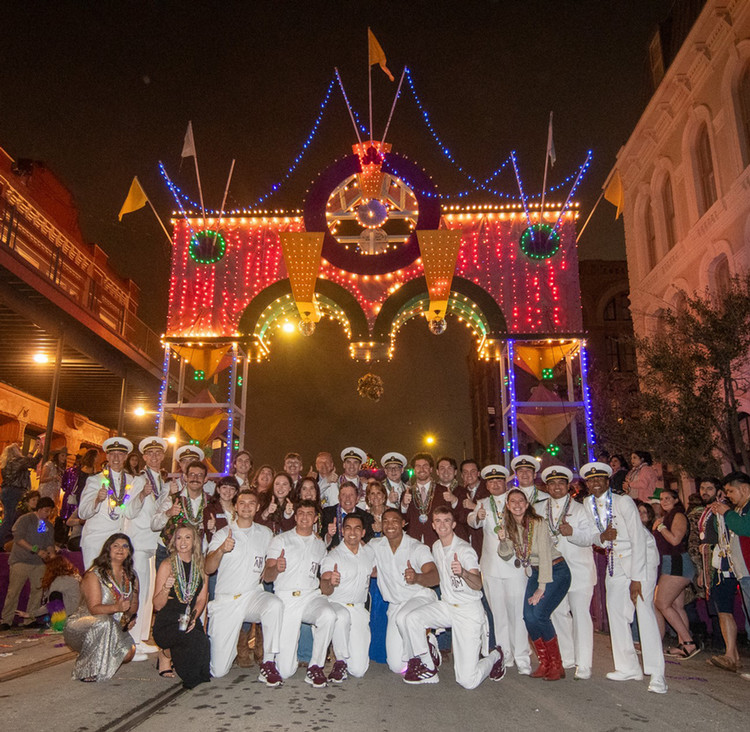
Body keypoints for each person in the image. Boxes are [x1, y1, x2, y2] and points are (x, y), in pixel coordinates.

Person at [579, 461, 667, 694]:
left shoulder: (623, 501)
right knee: (616, 609)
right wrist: (601, 536)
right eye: (591, 480)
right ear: (587, 484)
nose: (596, 483)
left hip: (641, 557)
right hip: (615, 559)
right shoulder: (588, 503)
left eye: (600, 480)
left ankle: (657, 673)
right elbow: (592, 534)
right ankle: (628, 667)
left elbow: (638, 537)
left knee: (643, 609)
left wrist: (637, 578)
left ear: (608, 482)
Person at [403, 506, 504, 687]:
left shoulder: (465, 550)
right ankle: (428, 666)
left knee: (467, 681)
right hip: (448, 606)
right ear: (433, 525)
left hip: (468, 610)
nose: (442, 525)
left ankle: (496, 655)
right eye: (438, 521)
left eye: (447, 521)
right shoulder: (436, 546)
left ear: (454, 524)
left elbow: (478, 584)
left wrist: (463, 572)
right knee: (412, 618)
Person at [205, 490, 284, 685]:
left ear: (258, 508)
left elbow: (268, 573)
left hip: (252, 596)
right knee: (219, 670)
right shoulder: (223, 533)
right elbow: (208, 567)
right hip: (227, 601)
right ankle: (225, 648)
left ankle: (268, 663)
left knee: (274, 604)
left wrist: (276, 567)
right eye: (242, 503)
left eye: (251, 503)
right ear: (235, 506)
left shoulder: (265, 534)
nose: (246, 507)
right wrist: (221, 549)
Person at [496, 488, 570, 681]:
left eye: (521, 501)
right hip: (535, 572)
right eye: (513, 501)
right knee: (528, 617)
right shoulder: (510, 526)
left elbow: (545, 555)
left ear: (527, 504)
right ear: (508, 505)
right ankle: (544, 663)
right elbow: (506, 555)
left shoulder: (538, 523)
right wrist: (503, 540)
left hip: (555, 571)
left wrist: (541, 588)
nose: (517, 505)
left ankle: (556, 664)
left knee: (540, 615)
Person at [263, 500, 337, 686]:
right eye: (301, 513)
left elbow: (322, 578)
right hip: (287, 598)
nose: (305, 517)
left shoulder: (319, 544)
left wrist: (331, 581)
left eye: (309, 513)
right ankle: (273, 663)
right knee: (286, 671)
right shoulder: (280, 540)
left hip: (311, 596)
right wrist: (277, 568)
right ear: (295, 516)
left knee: (328, 615)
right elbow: (267, 577)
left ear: (315, 518)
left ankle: (316, 667)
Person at [468, 464, 531, 675]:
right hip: (492, 567)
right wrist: (478, 516)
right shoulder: (483, 503)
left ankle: (522, 656)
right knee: (498, 613)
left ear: (505, 482)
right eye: (491, 481)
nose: (495, 484)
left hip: (515, 565)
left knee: (518, 613)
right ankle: (505, 655)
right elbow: (472, 521)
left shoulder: (515, 500)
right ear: (486, 484)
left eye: (499, 481)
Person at [541, 466, 598, 680]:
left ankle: (584, 664)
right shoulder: (539, 509)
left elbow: (592, 537)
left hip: (578, 570)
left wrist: (572, 533)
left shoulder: (582, 509)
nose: (557, 487)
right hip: (554, 570)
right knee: (557, 613)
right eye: (552, 483)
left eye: (561, 483)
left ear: (568, 487)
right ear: (547, 487)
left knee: (580, 614)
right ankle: (567, 656)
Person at [370, 508, 439, 675]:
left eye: (395, 521)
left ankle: (424, 657)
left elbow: (435, 577)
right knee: (397, 666)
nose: (390, 525)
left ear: (403, 524)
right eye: (385, 521)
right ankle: (424, 641)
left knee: (403, 618)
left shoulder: (416, 547)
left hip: (419, 597)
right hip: (395, 605)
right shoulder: (375, 545)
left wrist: (417, 578)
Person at [63, 533, 138, 682]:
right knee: (103, 621)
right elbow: (94, 609)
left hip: (112, 625)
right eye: (115, 545)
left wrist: (129, 617)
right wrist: (117, 607)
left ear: (129, 551)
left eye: (125, 546)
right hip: (83, 625)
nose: (120, 549)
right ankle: (85, 669)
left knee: (129, 653)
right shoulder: (95, 575)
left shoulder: (131, 575)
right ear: (107, 550)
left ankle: (97, 656)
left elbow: (133, 605)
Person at [124, 436, 170, 659]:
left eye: (158, 454)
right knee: (139, 592)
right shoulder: (139, 480)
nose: (154, 457)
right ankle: (132, 638)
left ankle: (140, 636)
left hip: (153, 543)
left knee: (149, 592)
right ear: (143, 457)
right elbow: (128, 510)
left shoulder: (161, 479)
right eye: (150, 454)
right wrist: (142, 495)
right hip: (140, 541)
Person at [152, 524, 210, 688]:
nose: (183, 542)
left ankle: (169, 654)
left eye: (187, 537)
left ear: (194, 541)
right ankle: (166, 653)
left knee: (203, 645)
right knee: (191, 643)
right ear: (174, 542)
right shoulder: (167, 565)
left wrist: (194, 618)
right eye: (179, 538)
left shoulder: (201, 565)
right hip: (168, 621)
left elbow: (201, 599)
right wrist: (165, 589)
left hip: (189, 618)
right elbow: (157, 605)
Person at [320, 513, 377, 681]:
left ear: (363, 532)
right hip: (336, 606)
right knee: (342, 616)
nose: (352, 532)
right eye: (348, 528)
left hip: (358, 609)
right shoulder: (332, 557)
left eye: (357, 528)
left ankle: (342, 656)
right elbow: (324, 587)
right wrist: (330, 581)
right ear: (342, 532)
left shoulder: (369, 553)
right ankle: (340, 661)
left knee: (359, 670)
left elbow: (374, 571)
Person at [694, 479, 740, 672]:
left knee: (724, 610)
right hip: (713, 565)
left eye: (710, 488)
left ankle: (730, 655)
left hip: (724, 566)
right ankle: (733, 654)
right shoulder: (709, 511)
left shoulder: (722, 511)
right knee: (721, 609)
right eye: (702, 488)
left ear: (719, 491)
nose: (705, 491)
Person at [78, 437, 143, 570]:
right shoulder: (95, 480)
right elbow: (82, 513)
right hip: (96, 540)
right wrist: (96, 500)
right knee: (94, 583)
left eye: (120, 454)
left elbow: (130, 512)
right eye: (112, 454)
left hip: (118, 543)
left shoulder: (131, 481)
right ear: (107, 456)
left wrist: (142, 496)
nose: (116, 458)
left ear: (125, 457)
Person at [652, 487, 699, 658]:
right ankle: (684, 644)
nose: (664, 502)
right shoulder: (667, 516)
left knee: (661, 603)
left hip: (677, 563)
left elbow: (675, 539)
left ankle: (689, 642)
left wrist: (661, 527)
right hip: (670, 563)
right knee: (677, 606)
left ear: (676, 500)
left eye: (668, 498)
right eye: (662, 499)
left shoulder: (678, 515)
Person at [0, 496, 56, 630]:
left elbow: (49, 543)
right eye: (46, 511)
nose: (48, 514)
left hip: (38, 563)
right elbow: (18, 539)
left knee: (37, 591)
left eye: (50, 512)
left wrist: (52, 554)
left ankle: (30, 619)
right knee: (14, 591)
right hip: (21, 560)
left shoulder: (48, 525)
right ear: (40, 509)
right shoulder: (26, 519)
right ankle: (6, 620)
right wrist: (36, 550)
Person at [710, 472, 750, 657]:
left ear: (745, 489)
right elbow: (726, 534)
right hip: (743, 573)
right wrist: (721, 517)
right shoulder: (739, 510)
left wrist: (726, 512)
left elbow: (744, 528)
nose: (728, 496)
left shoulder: (746, 509)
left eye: (731, 491)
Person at [152, 459, 211, 566]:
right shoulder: (173, 499)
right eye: (192, 474)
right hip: (168, 552)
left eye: (200, 475)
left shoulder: (211, 503)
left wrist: (212, 528)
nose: (195, 478)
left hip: (196, 554)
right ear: (185, 477)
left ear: (205, 479)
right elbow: (154, 525)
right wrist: (168, 513)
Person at [401, 453, 453, 546]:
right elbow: (403, 521)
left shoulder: (443, 491)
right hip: (414, 541)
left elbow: (450, 518)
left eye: (425, 466)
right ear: (414, 470)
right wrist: (404, 505)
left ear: (431, 469)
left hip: (436, 540)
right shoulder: (407, 492)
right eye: (418, 466)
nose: (421, 469)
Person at [0, 442, 40, 547]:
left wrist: (33, 449)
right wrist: (40, 452)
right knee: (10, 519)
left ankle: (6, 542)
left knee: (9, 518)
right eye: (19, 449)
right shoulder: (16, 462)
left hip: (7, 491)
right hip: (15, 491)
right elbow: (32, 462)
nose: (20, 451)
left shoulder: (8, 463)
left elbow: (26, 462)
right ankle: (2, 543)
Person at [321, 481, 374, 549]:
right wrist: (329, 535)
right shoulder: (327, 513)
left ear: (357, 499)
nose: (347, 498)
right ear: (339, 498)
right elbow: (320, 542)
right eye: (343, 495)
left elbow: (369, 544)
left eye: (351, 495)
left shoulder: (366, 517)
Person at [60, 448, 98, 524]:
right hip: (80, 497)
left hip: (80, 497)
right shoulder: (89, 472)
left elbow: (64, 485)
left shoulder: (77, 470)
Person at [204, 475, 239, 544]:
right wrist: (212, 529)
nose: (228, 491)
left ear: (236, 492)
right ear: (218, 490)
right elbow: (208, 537)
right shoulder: (210, 510)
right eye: (224, 487)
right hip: (218, 547)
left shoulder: (240, 509)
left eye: (232, 488)